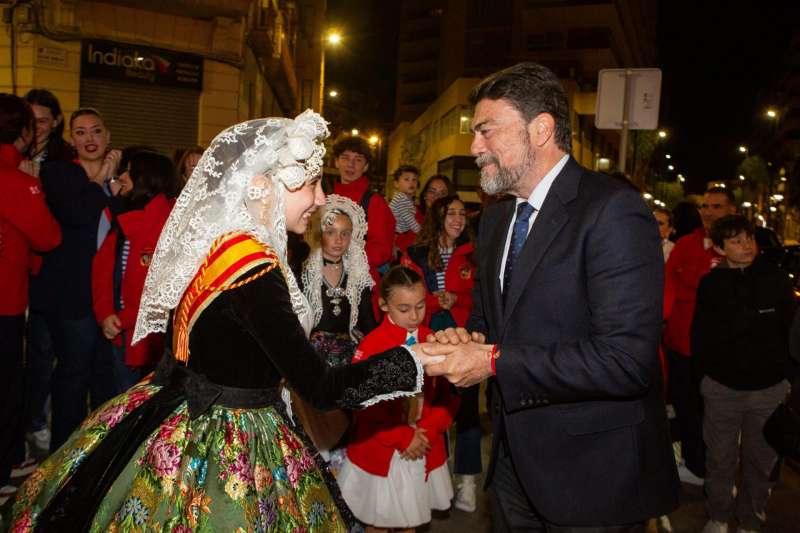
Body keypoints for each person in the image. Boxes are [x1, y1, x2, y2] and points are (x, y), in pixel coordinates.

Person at [9, 110, 443, 532]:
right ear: (262, 186)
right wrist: (415, 358)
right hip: (229, 436)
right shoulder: (255, 270)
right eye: (310, 183)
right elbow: (323, 388)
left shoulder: (220, 246)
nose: (321, 198)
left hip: (172, 411)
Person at [423, 62, 680, 531]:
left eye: (486, 131)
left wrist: (493, 360)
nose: (474, 147)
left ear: (540, 129)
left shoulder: (612, 210)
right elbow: (491, 321)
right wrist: (467, 341)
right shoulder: (498, 220)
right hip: (511, 463)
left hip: (591, 475)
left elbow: (625, 360)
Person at [691, 215, 796, 533]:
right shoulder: (711, 284)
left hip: (768, 389)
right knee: (720, 459)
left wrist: (786, 378)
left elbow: (791, 331)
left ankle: (752, 520)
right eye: (736, 240)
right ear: (721, 248)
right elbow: (701, 336)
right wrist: (707, 376)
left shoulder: (776, 280)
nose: (745, 245)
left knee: (761, 462)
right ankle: (718, 516)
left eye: (748, 238)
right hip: (722, 388)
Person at [31, 107, 125, 451]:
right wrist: (100, 178)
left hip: (109, 298)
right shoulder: (57, 174)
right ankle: (61, 452)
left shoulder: (122, 177)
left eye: (96, 131)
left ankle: (95, 451)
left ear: (108, 136)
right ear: (72, 139)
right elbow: (78, 214)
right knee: (73, 373)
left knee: (105, 376)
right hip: (71, 294)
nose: (90, 138)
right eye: (81, 132)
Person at [338, 266, 458, 532]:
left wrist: (430, 428)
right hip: (384, 446)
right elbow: (365, 408)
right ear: (383, 305)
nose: (414, 316)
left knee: (411, 519)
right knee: (379, 521)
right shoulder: (372, 346)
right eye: (404, 309)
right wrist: (403, 437)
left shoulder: (434, 339)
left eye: (420, 307)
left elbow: (449, 396)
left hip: (424, 442)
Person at [0, 94, 62, 505]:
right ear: (23, 132)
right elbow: (48, 236)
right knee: (6, 388)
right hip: (4, 302)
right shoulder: (20, 181)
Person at [403, 194, 481, 512]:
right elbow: (408, 296)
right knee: (427, 409)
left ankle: (467, 481)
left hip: (464, 338)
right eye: (451, 213)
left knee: (467, 411)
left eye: (463, 213)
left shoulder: (475, 254)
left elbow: (482, 296)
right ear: (438, 216)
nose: (459, 219)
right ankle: (429, 479)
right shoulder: (417, 253)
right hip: (429, 337)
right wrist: (438, 301)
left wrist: (457, 301)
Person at [664, 186, 737, 485]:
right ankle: (695, 464)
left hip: (721, 347)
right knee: (686, 406)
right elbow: (668, 286)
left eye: (716, 206)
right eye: (705, 206)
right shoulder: (686, 245)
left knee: (719, 414)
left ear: (731, 210)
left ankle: (718, 472)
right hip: (681, 342)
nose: (708, 211)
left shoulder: (740, 245)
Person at [92, 150, 179, 393]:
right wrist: (105, 314)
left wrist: (122, 319)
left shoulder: (168, 222)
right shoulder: (121, 214)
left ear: (148, 177)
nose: (122, 176)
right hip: (119, 330)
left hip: (147, 337)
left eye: (129, 170)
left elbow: (159, 288)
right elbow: (102, 269)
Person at [302, 193, 376, 367]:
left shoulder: (357, 272)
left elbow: (366, 319)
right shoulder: (305, 270)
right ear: (320, 234)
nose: (338, 240)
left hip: (349, 353)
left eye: (345, 233)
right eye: (330, 232)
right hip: (312, 353)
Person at [332, 136, 395, 285]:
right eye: (345, 158)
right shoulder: (324, 197)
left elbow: (382, 250)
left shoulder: (375, 202)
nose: (351, 164)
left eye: (358, 160)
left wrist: (341, 257)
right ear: (336, 162)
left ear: (365, 166)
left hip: (360, 282)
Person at [390, 164, 422, 256]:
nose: (411, 183)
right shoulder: (400, 199)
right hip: (395, 236)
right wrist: (422, 233)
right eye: (406, 179)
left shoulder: (407, 199)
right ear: (396, 183)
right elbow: (409, 220)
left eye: (414, 180)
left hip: (400, 235)